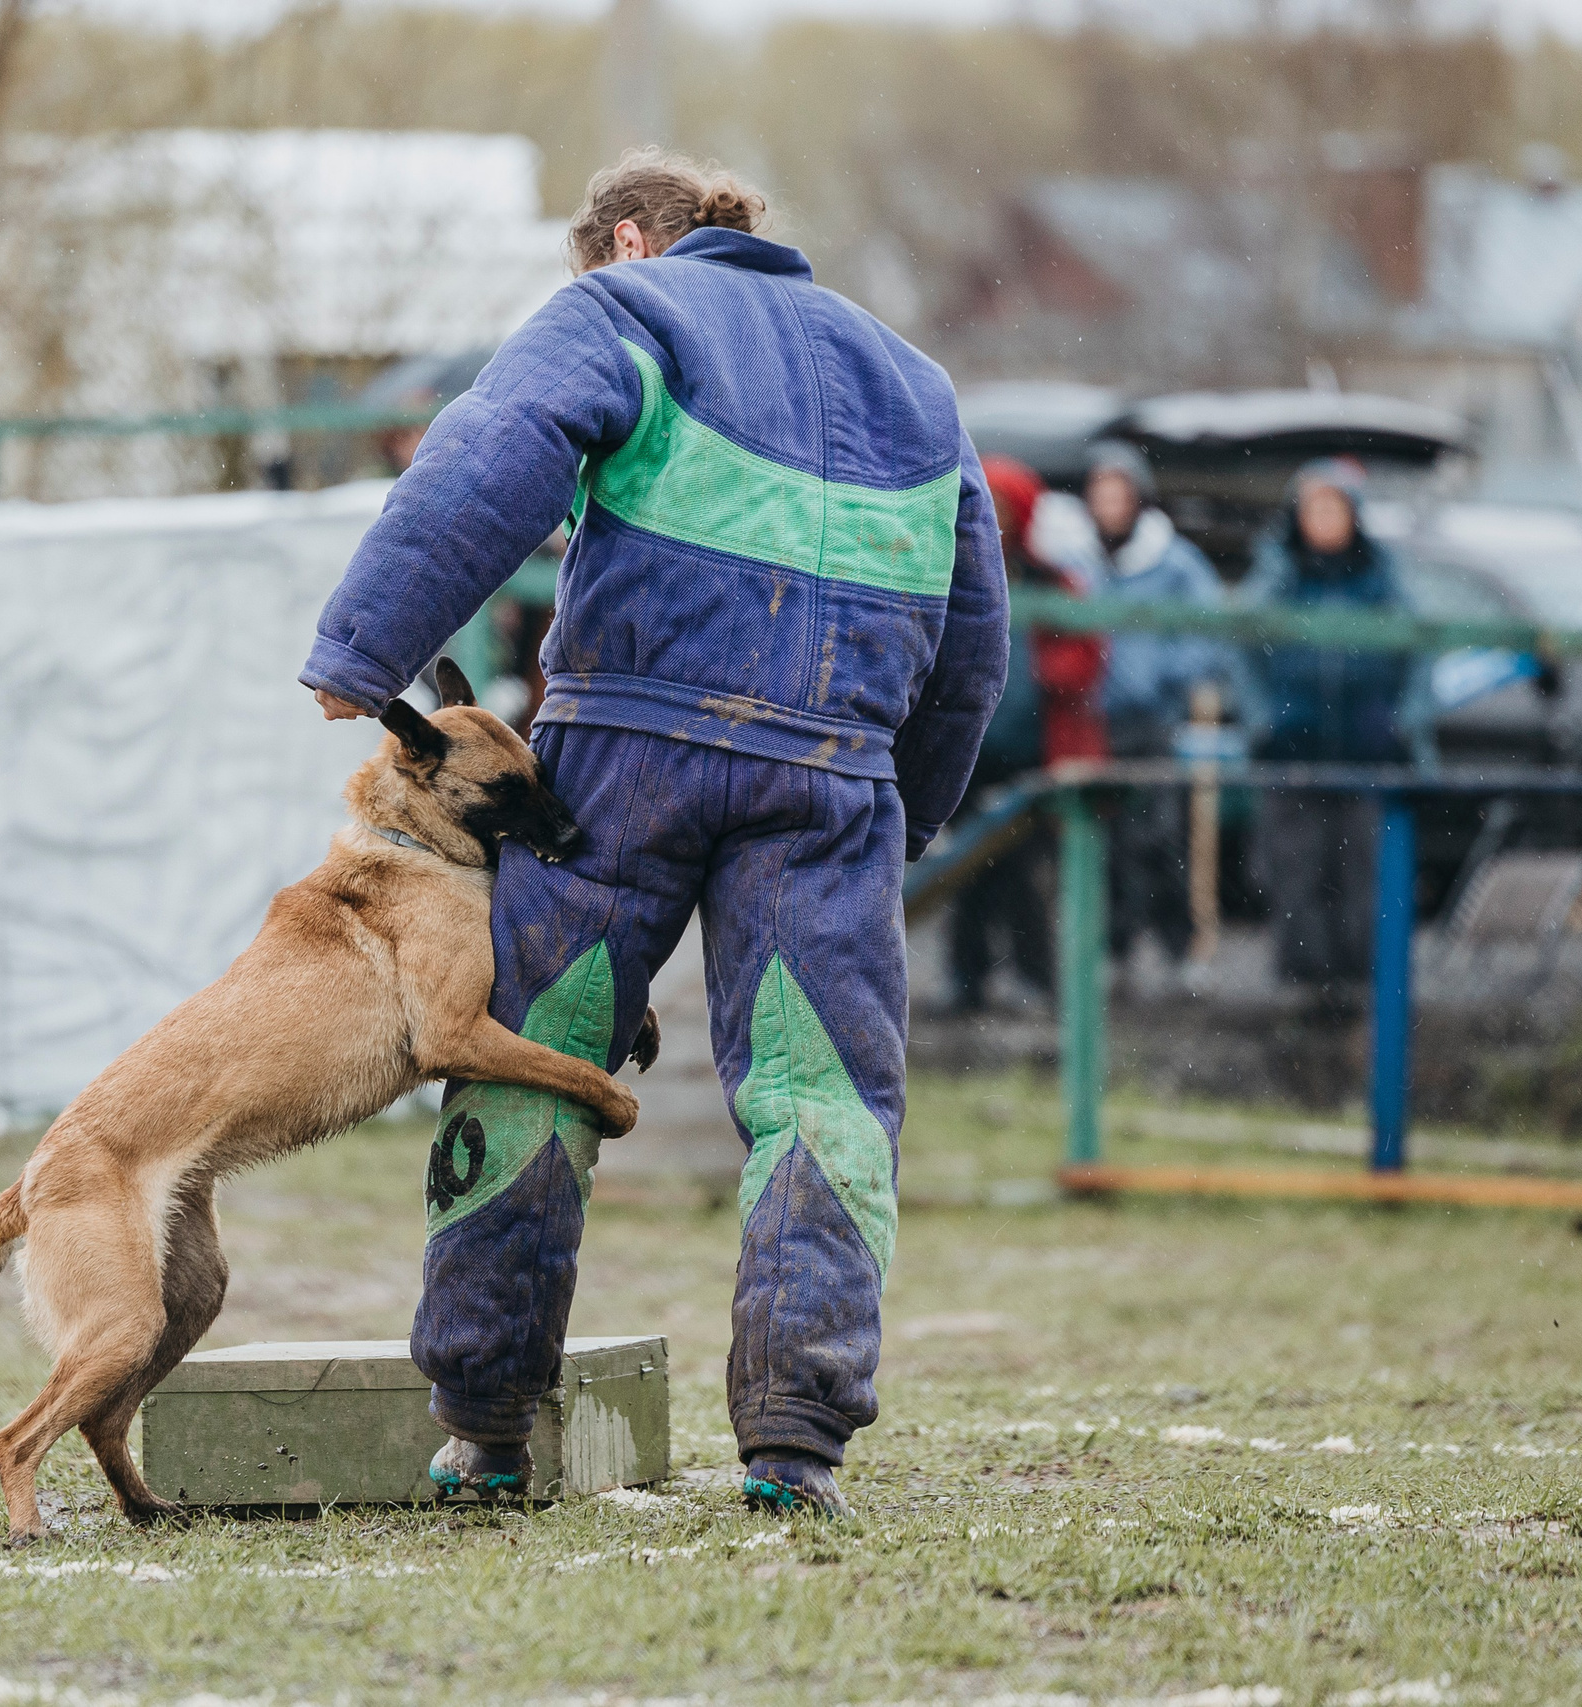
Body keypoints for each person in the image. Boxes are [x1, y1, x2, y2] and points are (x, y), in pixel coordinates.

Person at [299, 149, 1007, 1517]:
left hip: (621, 752)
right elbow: (974, 632)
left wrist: (365, 646)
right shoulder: (918, 385)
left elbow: (494, 445)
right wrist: (910, 801)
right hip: (835, 773)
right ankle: (797, 1445)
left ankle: (488, 1421)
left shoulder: (628, 311)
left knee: (538, 1056)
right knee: (819, 1099)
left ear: (628, 238)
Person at [1242, 455, 1431, 1004]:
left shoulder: (1382, 580)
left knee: (1362, 877)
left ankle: (1363, 990)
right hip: (1292, 752)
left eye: (1334, 507)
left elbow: (1419, 652)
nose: (1323, 519)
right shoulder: (1277, 577)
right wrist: (1262, 719)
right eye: (1313, 507)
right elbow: (1240, 645)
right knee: (1295, 872)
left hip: (1365, 752)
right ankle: (1302, 994)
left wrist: (1404, 721)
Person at [1068, 440, 1233, 994]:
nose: (1109, 506)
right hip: (1092, 725)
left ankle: (1181, 950)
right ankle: (1114, 954)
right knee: (1103, 846)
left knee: (1160, 841)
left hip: (1152, 723)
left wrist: (1160, 675)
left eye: (1119, 494)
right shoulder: (1077, 561)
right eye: (1100, 494)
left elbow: (1208, 634)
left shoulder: (1175, 563)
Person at [947, 456, 1107, 1014]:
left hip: (1030, 755)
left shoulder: (1050, 581)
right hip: (966, 753)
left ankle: (1036, 981)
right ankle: (968, 983)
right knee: (965, 876)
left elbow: (1086, 655)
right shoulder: (951, 571)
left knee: (1026, 877)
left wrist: (1038, 670)